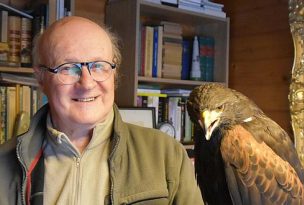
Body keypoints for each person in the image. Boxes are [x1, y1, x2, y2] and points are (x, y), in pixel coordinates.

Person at [0, 16, 204, 205]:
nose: (87, 83)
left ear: (114, 74)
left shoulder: (166, 154)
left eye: (99, 66)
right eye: (68, 67)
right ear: (41, 78)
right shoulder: (4, 164)